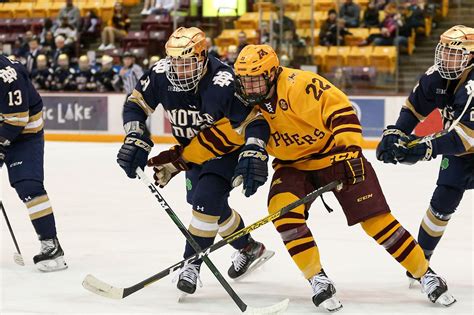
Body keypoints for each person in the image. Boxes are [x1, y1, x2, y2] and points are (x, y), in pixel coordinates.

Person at [227, 44, 455, 310]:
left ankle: (424, 273)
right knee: (283, 213)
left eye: (254, 80)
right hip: (292, 165)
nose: (248, 87)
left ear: (271, 74)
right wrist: (245, 158)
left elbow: (340, 110)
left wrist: (349, 150)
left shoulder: (300, 84)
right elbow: (235, 136)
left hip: (335, 155)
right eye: (244, 80)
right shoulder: (240, 98)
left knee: (376, 221)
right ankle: (317, 278)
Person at [116, 27, 273, 296]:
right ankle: (249, 247)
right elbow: (135, 105)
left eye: (187, 63)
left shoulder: (223, 81)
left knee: (205, 202)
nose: (179, 70)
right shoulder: (160, 74)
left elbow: (255, 121)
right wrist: (134, 135)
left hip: (226, 150)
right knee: (208, 205)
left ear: (202, 58)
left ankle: (191, 264)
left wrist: (254, 151)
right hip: (195, 151)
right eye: (175, 62)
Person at [376, 25, 473, 271]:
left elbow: (464, 138)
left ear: (471, 56)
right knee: (442, 200)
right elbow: (413, 108)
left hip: (465, 142)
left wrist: (422, 149)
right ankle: (421, 261)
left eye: (453, 54)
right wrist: (397, 132)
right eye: (444, 52)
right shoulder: (437, 76)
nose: (444, 58)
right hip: (463, 151)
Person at [0, 55, 67, 271]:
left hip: (25, 133)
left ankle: (51, 245)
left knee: (28, 186)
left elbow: (17, 119)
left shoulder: (8, 76)